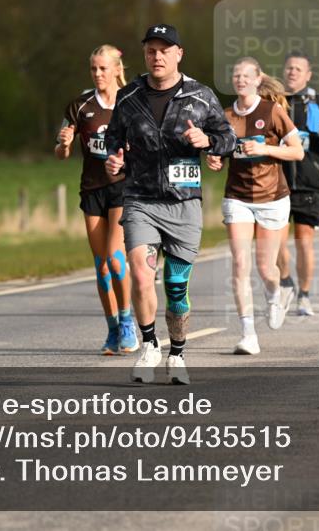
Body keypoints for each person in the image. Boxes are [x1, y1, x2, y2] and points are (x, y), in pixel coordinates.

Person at [104, 24, 236, 385]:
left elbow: (229, 138)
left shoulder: (200, 96)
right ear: (145, 55)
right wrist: (113, 161)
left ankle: (177, 353)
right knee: (142, 274)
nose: (157, 56)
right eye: (151, 50)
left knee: (176, 287)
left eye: (164, 50)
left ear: (179, 54)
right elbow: (113, 141)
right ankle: (149, 345)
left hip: (183, 203)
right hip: (140, 200)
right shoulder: (129, 96)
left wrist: (206, 139)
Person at [206, 58, 303, 354]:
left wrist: (264, 149)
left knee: (265, 268)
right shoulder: (223, 117)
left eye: (246, 75)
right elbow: (218, 153)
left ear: (258, 79)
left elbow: (297, 151)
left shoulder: (272, 111)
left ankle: (279, 291)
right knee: (240, 263)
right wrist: (214, 159)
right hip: (237, 197)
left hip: (273, 198)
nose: (240, 79)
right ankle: (248, 334)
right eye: (236, 75)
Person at [56, 45, 137, 356]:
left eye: (103, 68)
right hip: (91, 189)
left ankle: (129, 322)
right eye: (94, 69)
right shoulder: (80, 106)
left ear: (117, 69)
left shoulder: (131, 102)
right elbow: (62, 153)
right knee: (101, 265)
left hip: (122, 187)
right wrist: (63, 145)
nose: (98, 74)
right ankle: (113, 328)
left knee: (116, 258)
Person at [275, 50, 319, 318]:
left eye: (298, 69)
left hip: (309, 183)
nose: (292, 72)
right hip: (277, 183)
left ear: (308, 75)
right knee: (275, 244)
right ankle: (285, 281)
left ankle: (304, 296)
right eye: (289, 68)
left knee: (304, 241)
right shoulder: (274, 102)